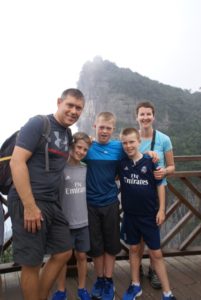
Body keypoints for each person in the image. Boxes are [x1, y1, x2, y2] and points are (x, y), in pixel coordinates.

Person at [7, 88, 85, 300]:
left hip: (52, 203)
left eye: (78, 108)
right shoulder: (39, 123)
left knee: (63, 251)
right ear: (59, 102)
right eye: (70, 105)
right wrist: (30, 206)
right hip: (29, 200)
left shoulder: (67, 133)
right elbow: (17, 161)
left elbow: (76, 154)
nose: (73, 111)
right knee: (32, 263)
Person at [119, 127, 176, 300]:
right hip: (130, 215)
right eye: (125, 143)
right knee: (134, 248)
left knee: (156, 253)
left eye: (132, 142)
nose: (128, 146)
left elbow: (161, 184)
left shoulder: (150, 161)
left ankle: (168, 293)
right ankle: (135, 285)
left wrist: (161, 209)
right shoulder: (121, 163)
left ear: (139, 142)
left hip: (149, 215)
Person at [84, 112, 125, 300]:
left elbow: (135, 153)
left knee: (111, 245)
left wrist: (150, 155)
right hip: (89, 204)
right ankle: (99, 279)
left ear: (113, 130)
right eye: (101, 127)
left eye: (108, 128)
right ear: (95, 126)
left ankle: (108, 281)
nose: (104, 131)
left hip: (110, 203)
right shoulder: (87, 147)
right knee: (96, 246)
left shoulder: (119, 147)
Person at [135, 101, 175, 289]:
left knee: (153, 234)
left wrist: (164, 172)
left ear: (154, 116)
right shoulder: (131, 140)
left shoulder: (164, 139)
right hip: (136, 193)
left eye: (148, 114)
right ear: (137, 117)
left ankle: (153, 269)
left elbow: (172, 167)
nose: (145, 117)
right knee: (138, 237)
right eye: (142, 114)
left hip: (157, 193)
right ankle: (139, 268)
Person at [51, 132, 92, 300]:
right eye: (78, 147)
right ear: (71, 146)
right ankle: (61, 290)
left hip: (83, 221)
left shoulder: (85, 169)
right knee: (61, 258)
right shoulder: (60, 169)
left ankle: (82, 288)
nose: (81, 151)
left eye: (85, 149)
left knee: (82, 256)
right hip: (63, 223)